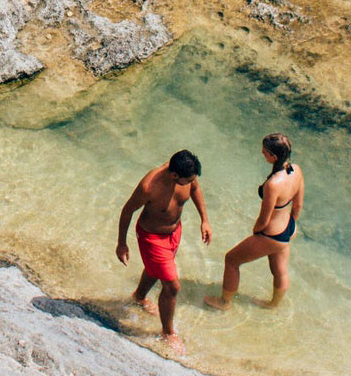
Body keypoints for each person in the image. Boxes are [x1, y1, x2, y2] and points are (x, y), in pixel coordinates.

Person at [115, 150, 211, 354]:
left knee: (154, 270)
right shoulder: (149, 186)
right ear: (175, 175)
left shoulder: (186, 172)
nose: (191, 183)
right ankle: (168, 332)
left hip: (174, 232)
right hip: (152, 238)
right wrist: (122, 243)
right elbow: (127, 211)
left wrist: (204, 219)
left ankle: (139, 297)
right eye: (188, 180)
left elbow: (195, 190)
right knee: (172, 286)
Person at [206, 134, 302, 311]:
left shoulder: (273, 184)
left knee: (232, 260)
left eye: (264, 152)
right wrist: (292, 224)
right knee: (280, 270)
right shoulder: (296, 170)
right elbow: (298, 204)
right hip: (288, 229)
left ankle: (224, 303)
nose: (262, 152)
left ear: (273, 156)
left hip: (270, 234)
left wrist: (256, 232)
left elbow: (264, 219)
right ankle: (274, 305)